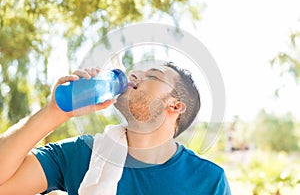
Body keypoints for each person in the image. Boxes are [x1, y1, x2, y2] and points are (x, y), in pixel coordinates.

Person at [0, 62, 231, 195]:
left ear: (175, 106)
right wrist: (55, 113)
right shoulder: (83, 154)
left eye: (152, 75)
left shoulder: (208, 180)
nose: (133, 74)